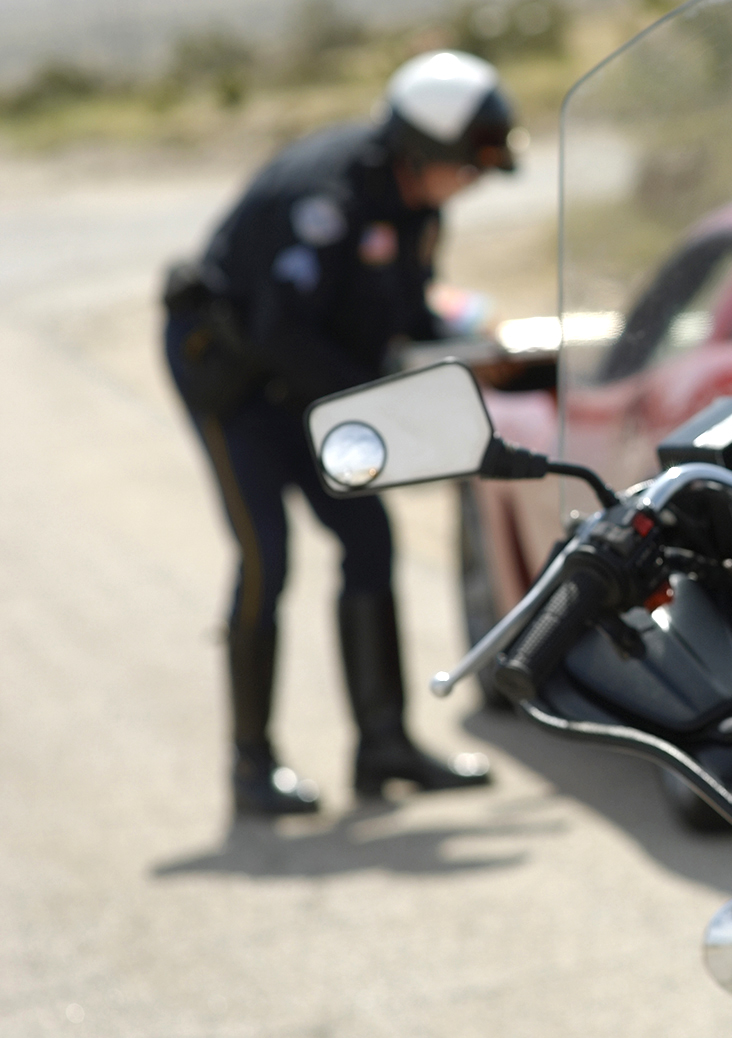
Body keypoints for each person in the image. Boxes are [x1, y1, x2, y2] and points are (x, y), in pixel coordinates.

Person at [163, 51, 514, 815]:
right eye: (470, 165)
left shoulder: (417, 208)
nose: (475, 182)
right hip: (236, 383)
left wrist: (478, 351)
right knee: (267, 555)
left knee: (368, 539)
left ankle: (383, 747)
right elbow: (279, 330)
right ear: (427, 150)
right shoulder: (322, 201)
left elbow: (404, 310)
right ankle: (251, 764)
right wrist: (388, 397)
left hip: (315, 386)